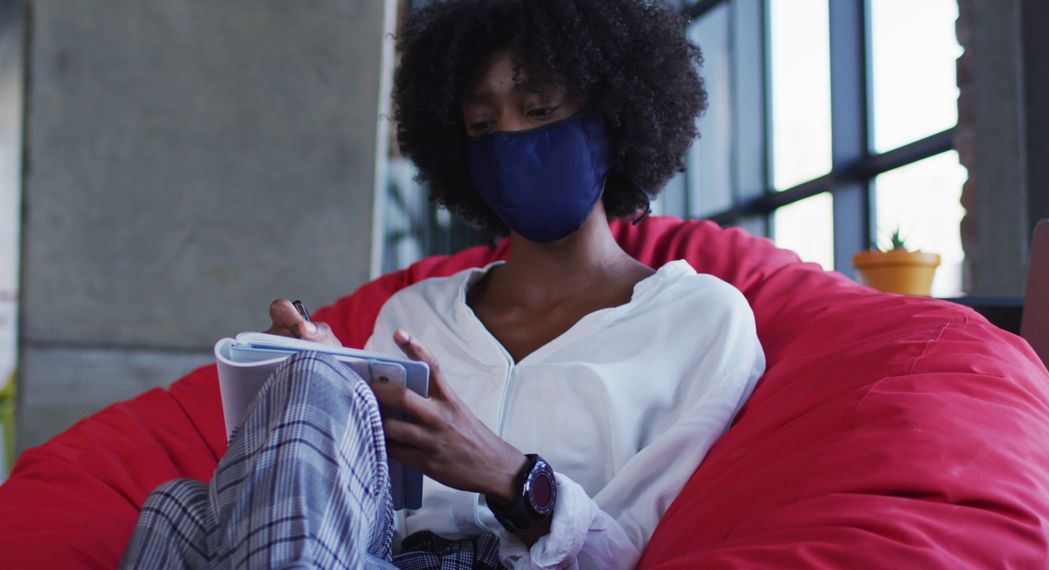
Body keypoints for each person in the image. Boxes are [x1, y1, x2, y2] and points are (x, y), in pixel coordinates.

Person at [121, 1, 765, 568]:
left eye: (539, 109)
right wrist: (320, 384)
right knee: (179, 508)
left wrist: (513, 478)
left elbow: (632, 551)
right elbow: (358, 509)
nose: (510, 139)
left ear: (615, 118)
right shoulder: (418, 312)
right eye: (482, 126)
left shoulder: (702, 319)